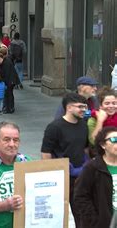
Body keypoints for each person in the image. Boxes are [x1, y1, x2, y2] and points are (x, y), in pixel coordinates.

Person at [41, 92, 89, 223]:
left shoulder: (83, 125)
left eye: (85, 107)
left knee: (81, 213)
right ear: (69, 108)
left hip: (80, 177)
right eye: (80, 107)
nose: (83, 110)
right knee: (59, 214)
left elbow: (85, 148)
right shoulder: (54, 127)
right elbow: (46, 153)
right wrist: (52, 176)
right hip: (61, 177)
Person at [74, 126, 117, 228]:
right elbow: (80, 197)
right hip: (105, 223)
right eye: (114, 140)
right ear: (103, 145)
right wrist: (95, 221)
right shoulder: (92, 168)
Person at [0, 46, 19, 114]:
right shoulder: (4, 62)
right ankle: (8, 108)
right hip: (9, 81)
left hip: (10, 81)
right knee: (8, 94)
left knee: (9, 94)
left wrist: (5, 83)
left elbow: (8, 74)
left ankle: (10, 108)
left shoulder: (6, 63)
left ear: (0, 58)